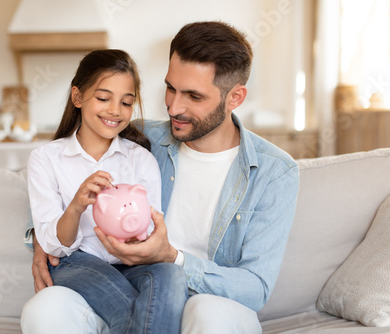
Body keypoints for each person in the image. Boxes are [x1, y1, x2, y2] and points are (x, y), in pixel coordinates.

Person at [22, 21, 299, 334]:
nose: (174, 107)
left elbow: (255, 288)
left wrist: (173, 258)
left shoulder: (274, 172)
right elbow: (61, 170)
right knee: (43, 310)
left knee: (210, 316)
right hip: (126, 287)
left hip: (206, 299)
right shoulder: (140, 137)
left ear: (235, 97)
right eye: (170, 88)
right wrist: (43, 241)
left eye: (194, 96)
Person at [26, 49, 188, 334]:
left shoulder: (141, 159)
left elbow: (149, 229)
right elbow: (53, 245)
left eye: (127, 102)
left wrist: (137, 230)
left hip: (132, 263)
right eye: (103, 98)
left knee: (172, 277)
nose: (115, 110)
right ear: (78, 97)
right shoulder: (46, 159)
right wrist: (76, 205)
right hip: (74, 262)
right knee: (130, 308)